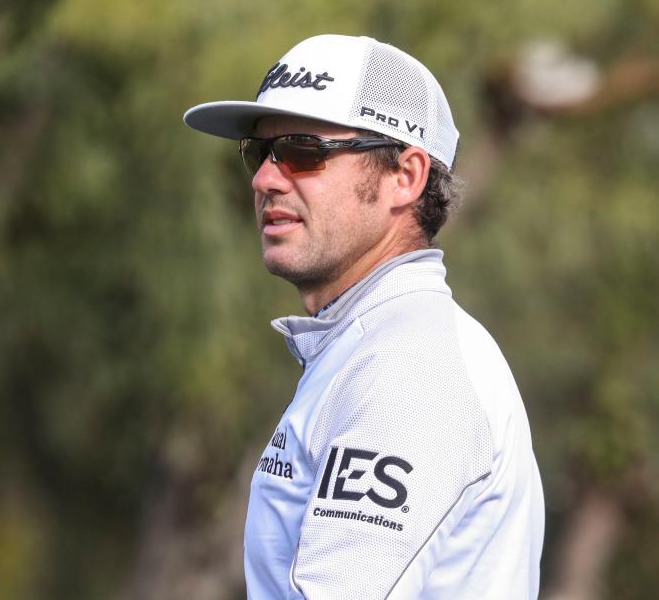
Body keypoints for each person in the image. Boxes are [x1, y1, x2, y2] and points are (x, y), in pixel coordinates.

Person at [184, 34, 544, 600]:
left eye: (303, 151)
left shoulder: (408, 370)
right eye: (260, 153)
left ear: (405, 177)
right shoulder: (370, 346)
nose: (264, 180)